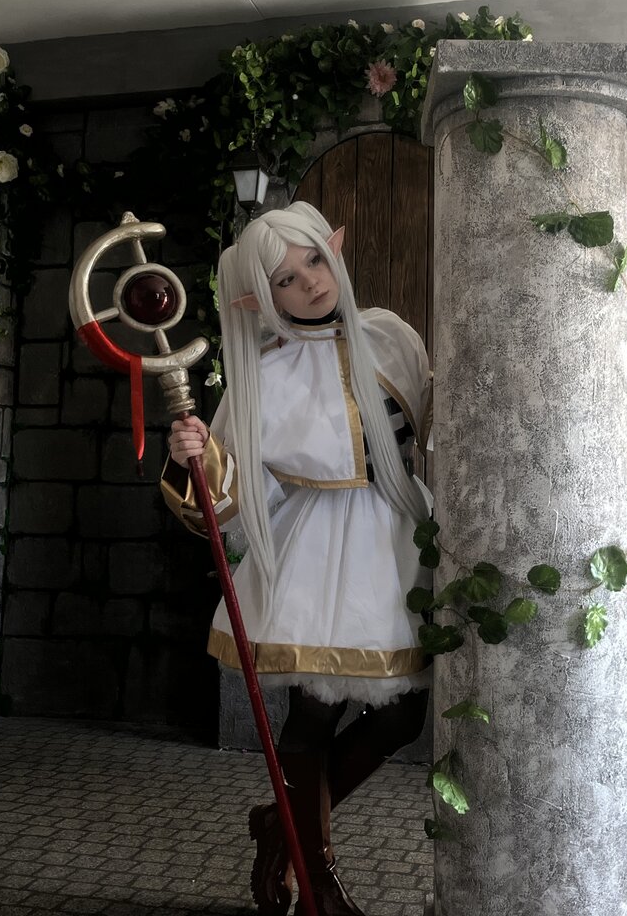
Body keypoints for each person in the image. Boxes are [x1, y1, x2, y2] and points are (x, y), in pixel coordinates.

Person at [162, 201, 433, 916]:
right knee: (314, 716)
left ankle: (280, 830)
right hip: (319, 555)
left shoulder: (392, 336)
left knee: (404, 717)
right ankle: (318, 883)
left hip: (402, 541)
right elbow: (221, 502)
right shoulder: (264, 376)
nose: (311, 282)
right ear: (262, 299)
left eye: (314, 260)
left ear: (333, 251)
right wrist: (192, 459)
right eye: (287, 278)